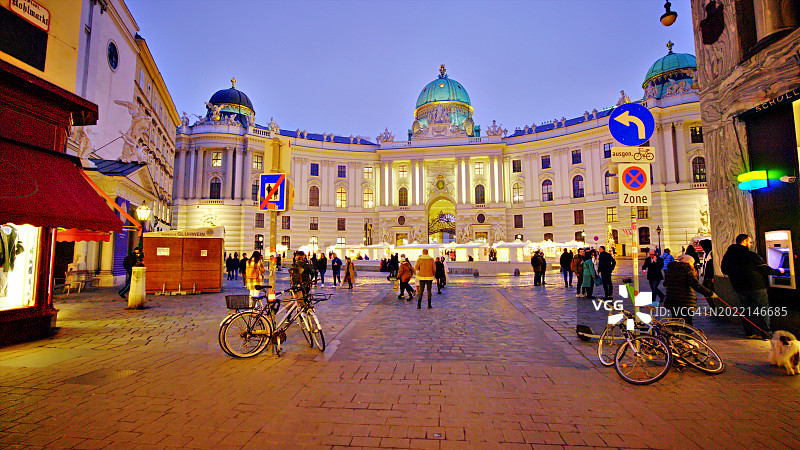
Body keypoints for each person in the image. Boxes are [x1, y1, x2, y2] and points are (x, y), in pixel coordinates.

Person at [721, 234, 785, 339]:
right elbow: (764, 269)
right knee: (763, 309)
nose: (750, 244)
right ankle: (766, 333)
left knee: (746, 310)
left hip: (739, 287)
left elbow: (724, 270)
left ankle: (749, 332)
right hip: (756, 286)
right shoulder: (750, 255)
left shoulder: (728, 256)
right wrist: (779, 271)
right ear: (744, 241)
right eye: (750, 242)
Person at [664, 254, 715, 326]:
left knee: (676, 320)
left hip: (672, 299)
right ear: (688, 263)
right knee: (688, 322)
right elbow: (696, 285)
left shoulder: (670, 270)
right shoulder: (687, 271)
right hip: (685, 301)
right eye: (692, 263)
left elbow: (665, 283)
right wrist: (710, 293)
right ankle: (689, 336)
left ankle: (674, 335)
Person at [699, 239, 715, 304]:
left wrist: (712, 277)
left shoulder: (711, 253)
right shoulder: (706, 253)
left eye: (702, 246)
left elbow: (711, 266)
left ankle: (714, 307)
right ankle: (712, 307)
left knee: (709, 292)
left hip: (710, 277)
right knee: (706, 292)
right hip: (706, 276)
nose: (701, 248)